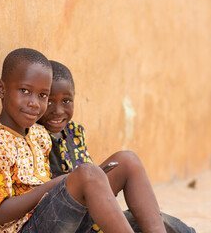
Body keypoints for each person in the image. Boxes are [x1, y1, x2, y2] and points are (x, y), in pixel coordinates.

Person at [0, 48, 165, 233]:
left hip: (55, 217)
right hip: (27, 228)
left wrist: (71, 183)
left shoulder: (38, 135)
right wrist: (56, 185)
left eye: (42, 95)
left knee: (126, 161)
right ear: (1, 89)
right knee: (87, 173)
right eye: (24, 91)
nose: (34, 103)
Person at [37, 60, 196, 233]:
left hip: (86, 215)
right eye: (50, 101)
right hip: (57, 218)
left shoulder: (74, 132)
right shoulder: (33, 135)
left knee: (129, 165)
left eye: (66, 100)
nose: (59, 110)